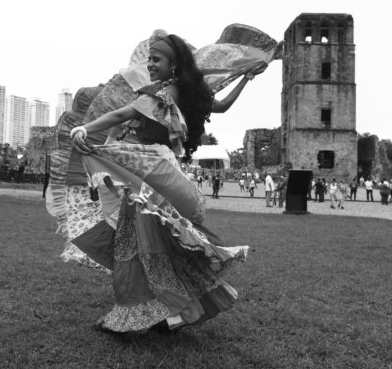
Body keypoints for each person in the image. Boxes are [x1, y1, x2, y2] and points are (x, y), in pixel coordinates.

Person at [68, 32, 264, 333]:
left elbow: (123, 113)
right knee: (155, 244)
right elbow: (222, 106)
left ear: (173, 64)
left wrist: (84, 127)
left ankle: (138, 314)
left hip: (151, 170)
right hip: (165, 171)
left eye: (156, 59)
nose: (150, 64)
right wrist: (246, 80)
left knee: (136, 243)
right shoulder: (184, 92)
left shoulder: (163, 94)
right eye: (149, 59)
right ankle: (164, 313)